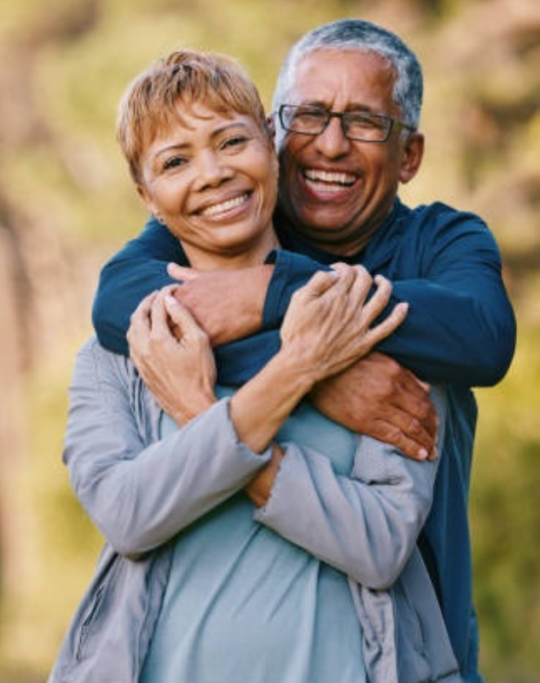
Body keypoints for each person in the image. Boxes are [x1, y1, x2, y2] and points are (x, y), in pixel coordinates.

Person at [90, 19, 515, 682]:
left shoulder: (441, 245)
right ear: (276, 131)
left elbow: (485, 339)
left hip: (410, 650)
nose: (332, 144)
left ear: (410, 155)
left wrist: (269, 294)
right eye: (309, 115)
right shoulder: (224, 222)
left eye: (366, 122)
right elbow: (119, 302)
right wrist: (316, 370)